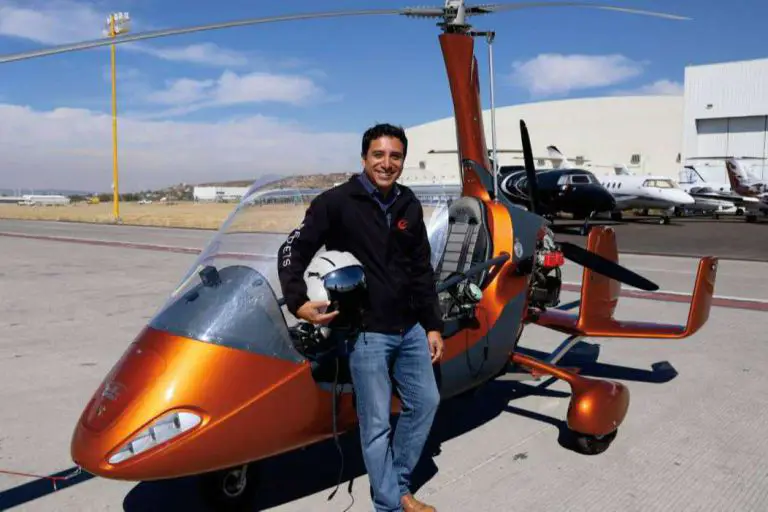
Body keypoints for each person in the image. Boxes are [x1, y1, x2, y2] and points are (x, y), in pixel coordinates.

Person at [277, 123, 444, 512]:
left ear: (403, 160)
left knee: (426, 402)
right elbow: (294, 249)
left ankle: (397, 485)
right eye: (378, 155)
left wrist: (433, 324)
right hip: (365, 333)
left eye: (395, 156)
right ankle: (390, 504)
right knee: (376, 424)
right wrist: (297, 302)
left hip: (410, 327)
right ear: (364, 157)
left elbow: (421, 270)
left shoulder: (408, 203)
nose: (387, 163)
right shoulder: (336, 202)